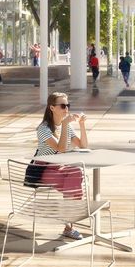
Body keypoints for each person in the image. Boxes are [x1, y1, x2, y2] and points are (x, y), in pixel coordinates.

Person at [32, 92, 89, 239]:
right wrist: (65, 124)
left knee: (76, 172)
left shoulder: (66, 126)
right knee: (73, 185)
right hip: (43, 169)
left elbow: (83, 146)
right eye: (63, 106)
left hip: (59, 167)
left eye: (68, 105)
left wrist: (82, 125)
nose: (67, 109)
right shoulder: (43, 129)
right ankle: (70, 223)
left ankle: (69, 223)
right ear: (52, 107)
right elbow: (61, 148)